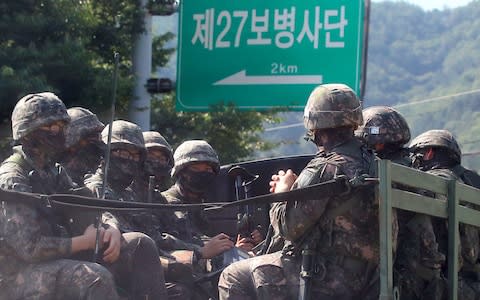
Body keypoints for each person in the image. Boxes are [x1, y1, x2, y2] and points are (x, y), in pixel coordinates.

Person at [218, 83, 385, 299]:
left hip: (324, 279)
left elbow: (288, 229)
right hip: (371, 280)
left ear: (313, 124)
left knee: (233, 276)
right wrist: (297, 189)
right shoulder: (376, 164)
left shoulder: (325, 166)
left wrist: (282, 191)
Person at [0, 92, 116, 299]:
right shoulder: (13, 177)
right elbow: (30, 248)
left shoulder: (53, 171)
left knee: (135, 246)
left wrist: (108, 228)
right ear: (28, 133)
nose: (60, 132)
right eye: (52, 127)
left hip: (50, 263)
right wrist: (85, 242)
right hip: (16, 275)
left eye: (63, 126)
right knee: (95, 277)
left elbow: (83, 205)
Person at [84, 120, 188, 299]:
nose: (129, 159)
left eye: (135, 155)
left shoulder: (127, 194)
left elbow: (152, 237)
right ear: (105, 153)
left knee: (181, 290)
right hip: (106, 264)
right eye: (122, 152)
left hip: (135, 265)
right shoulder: (95, 188)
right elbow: (123, 235)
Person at [356, 106, 445, 299]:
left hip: (403, 279)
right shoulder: (413, 169)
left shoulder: (384, 171)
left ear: (376, 143)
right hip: (423, 276)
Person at [410, 129, 480, 300]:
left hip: (443, 286)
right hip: (472, 285)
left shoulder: (433, 182)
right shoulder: (472, 182)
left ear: (429, 152)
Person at [60, 107, 105, 187]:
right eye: (90, 135)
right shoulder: (57, 177)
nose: (96, 140)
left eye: (98, 135)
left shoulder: (100, 179)